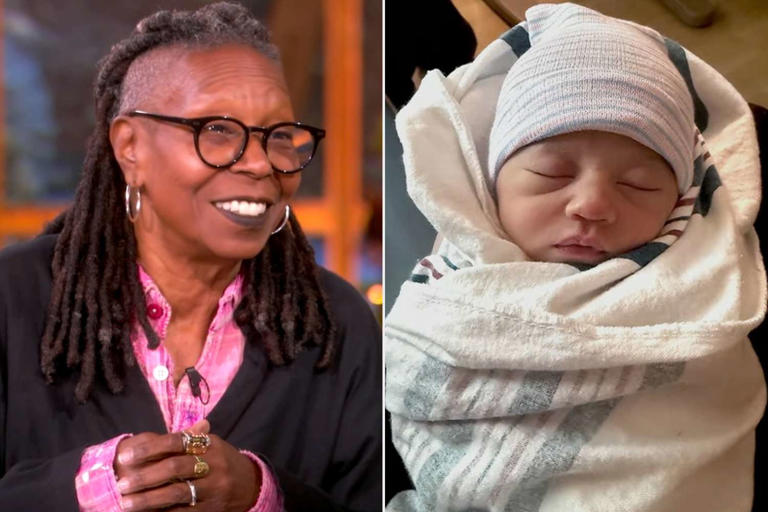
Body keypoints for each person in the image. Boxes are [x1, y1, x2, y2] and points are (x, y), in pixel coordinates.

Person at [0, 3, 381, 511]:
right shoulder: (11, 298)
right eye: (217, 130)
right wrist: (85, 492)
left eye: (279, 136)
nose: (259, 162)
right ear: (130, 146)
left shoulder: (337, 325)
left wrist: (263, 495)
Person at [385, 3, 765, 511]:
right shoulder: (452, 280)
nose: (591, 206)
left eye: (638, 184)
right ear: (493, 178)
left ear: (678, 199)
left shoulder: (703, 283)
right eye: (552, 175)